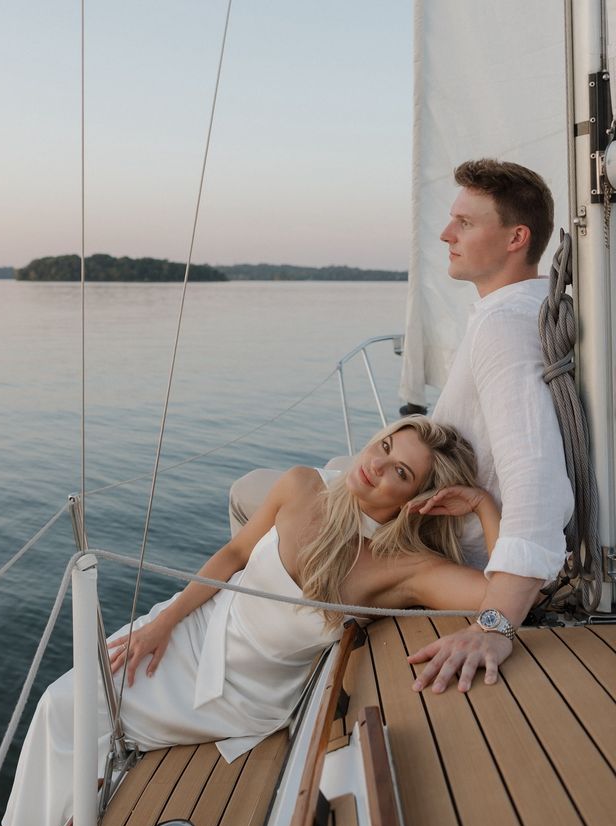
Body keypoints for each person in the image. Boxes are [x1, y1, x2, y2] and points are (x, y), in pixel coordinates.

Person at [0, 417, 499, 826]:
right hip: (198, 621)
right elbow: (235, 556)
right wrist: (165, 622)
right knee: (61, 704)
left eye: (399, 471)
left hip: (238, 688)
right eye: (384, 446)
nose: (376, 465)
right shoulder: (302, 485)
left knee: (72, 711)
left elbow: (507, 591)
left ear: (420, 500)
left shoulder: (402, 567)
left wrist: (479, 505)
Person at [230, 159, 574, 695]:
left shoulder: (503, 330)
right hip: (429, 485)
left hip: (431, 524)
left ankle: (261, 642)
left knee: (248, 492)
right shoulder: (526, 307)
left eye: (465, 222)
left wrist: (497, 624)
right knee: (316, 479)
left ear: (516, 238)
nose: (446, 233)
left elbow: (537, 483)